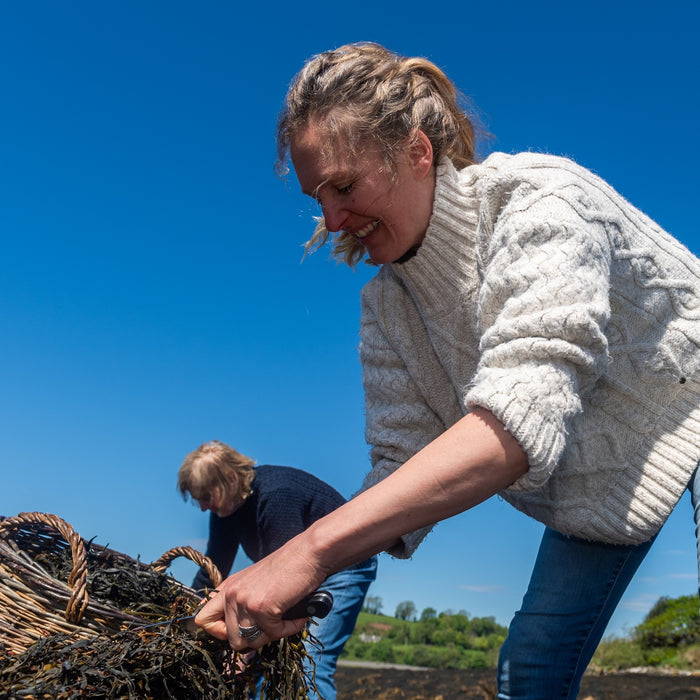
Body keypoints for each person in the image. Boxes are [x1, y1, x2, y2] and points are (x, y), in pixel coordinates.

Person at [196, 42, 700, 699]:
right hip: (606, 469)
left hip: (687, 383)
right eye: (317, 197)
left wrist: (306, 551)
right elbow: (402, 468)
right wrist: (286, 588)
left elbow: (516, 425)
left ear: (416, 151)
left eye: (343, 186)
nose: (330, 219)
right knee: (531, 667)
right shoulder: (386, 308)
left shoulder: (541, 202)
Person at [177, 440, 378, 700]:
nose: (203, 507)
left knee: (309, 662)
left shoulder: (276, 494)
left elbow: (285, 583)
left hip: (345, 566)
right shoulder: (225, 512)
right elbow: (211, 569)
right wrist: (187, 613)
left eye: (206, 496)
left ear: (229, 478)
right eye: (198, 501)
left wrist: (245, 647)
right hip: (295, 580)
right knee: (265, 667)